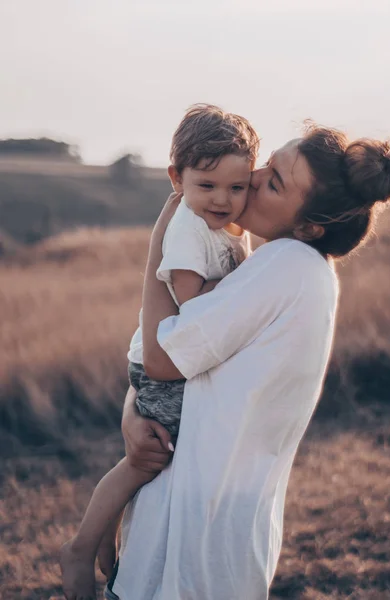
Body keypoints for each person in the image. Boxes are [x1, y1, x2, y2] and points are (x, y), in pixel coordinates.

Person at [106, 125, 390, 600]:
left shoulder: (284, 266)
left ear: (308, 226)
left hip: (192, 548)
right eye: (270, 164)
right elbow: (180, 368)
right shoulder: (289, 269)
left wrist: (164, 234)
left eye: (276, 182)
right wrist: (131, 414)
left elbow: (159, 360)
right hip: (198, 530)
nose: (254, 177)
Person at [60, 104, 260, 600]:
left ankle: (105, 537)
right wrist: (239, 283)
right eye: (207, 185)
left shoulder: (225, 227)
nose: (222, 199)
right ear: (177, 177)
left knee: (153, 460)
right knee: (145, 460)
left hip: (174, 359)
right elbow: (193, 303)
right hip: (164, 367)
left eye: (237, 188)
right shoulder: (189, 228)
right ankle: (84, 546)